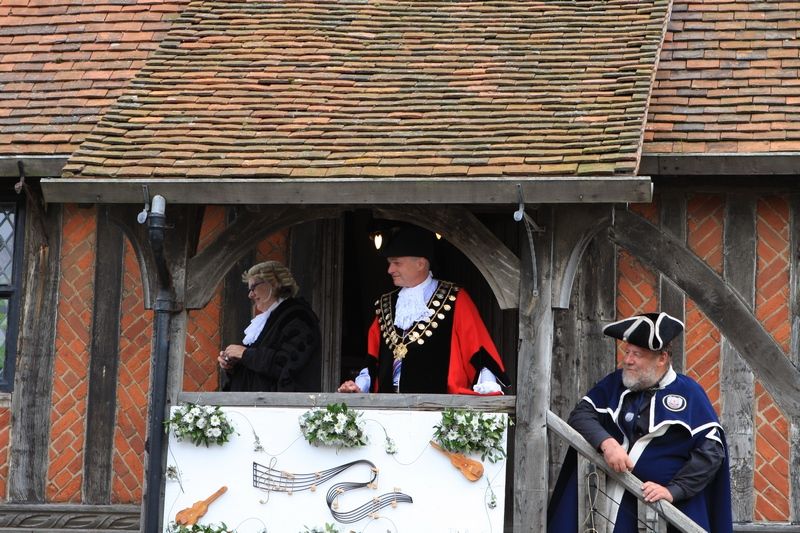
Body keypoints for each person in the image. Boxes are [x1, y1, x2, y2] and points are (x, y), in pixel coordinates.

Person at [547, 312, 732, 533]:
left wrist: (674, 490)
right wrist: (607, 443)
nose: (628, 360)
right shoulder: (615, 383)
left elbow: (711, 453)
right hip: (604, 499)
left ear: (662, 358)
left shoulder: (689, 392)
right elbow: (581, 415)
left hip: (666, 511)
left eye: (637, 354)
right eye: (627, 352)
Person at [338, 225, 509, 395]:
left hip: (439, 411)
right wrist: (358, 386)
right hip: (388, 408)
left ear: (420, 264)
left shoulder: (454, 299)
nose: (390, 270)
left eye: (397, 263)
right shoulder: (385, 304)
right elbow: (373, 360)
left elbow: (478, 351)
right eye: (390, 263)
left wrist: (488, 388)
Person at [218, 261, 321, 392]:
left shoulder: (298, 316)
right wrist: (234, 364)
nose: (250, 294)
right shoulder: (270, 319)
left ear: (275, 283)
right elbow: (259, 369)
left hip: (280, 408)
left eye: (254, 287)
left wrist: (245, 354)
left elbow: (287, 365)